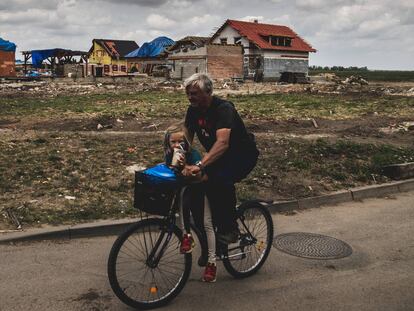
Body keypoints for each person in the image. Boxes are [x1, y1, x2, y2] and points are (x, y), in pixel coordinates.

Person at [182, 73, 259, 244]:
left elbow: (222, 143)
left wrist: (200, 164)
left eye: (194, 93)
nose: (190, 97)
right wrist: (177, 157)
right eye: (188, 93)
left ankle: (230, 229)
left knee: (220, 181)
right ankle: (208, 232)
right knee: (196, 183)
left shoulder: (223, 109)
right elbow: (186, 138)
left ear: (207, 92)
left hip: (242, 156)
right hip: (220, 156)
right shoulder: (192, 111)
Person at [163, 123, 218, 282]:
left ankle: (212, 263)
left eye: (180, 142)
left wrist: (187, 167)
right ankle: (186, 235)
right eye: (173, 142)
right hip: (187, 191)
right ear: (168, 142)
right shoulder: (169, 155)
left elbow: (203, 176)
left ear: (186, 142)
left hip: (203, 190)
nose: (176, 145)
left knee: (206, 224)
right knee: (180, 205)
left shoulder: (193, 154)